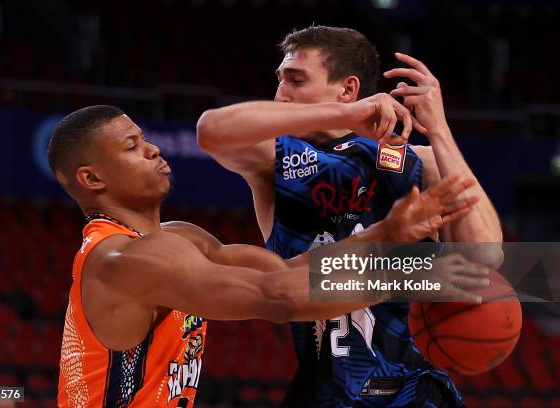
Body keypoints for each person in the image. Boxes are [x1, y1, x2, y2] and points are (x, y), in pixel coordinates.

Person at [48, 105, 484, 407]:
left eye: (145, 139)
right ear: (91, 178)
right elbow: (278, 297)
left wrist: (386, 234)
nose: (153, 149)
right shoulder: (125, 261)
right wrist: (410, 269)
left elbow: (288, 271)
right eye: (132, 146)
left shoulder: (178, 239)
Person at [197, 26, 503, 407]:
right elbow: (210, 131)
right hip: (325, 391)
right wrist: (346, 114)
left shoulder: (419, 162)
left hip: (414, 392)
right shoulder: (274, 158)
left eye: (296, 80)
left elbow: (487, 259)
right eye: (280, 80)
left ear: (348, 87)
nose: (281, 94)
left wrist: (438, 130)